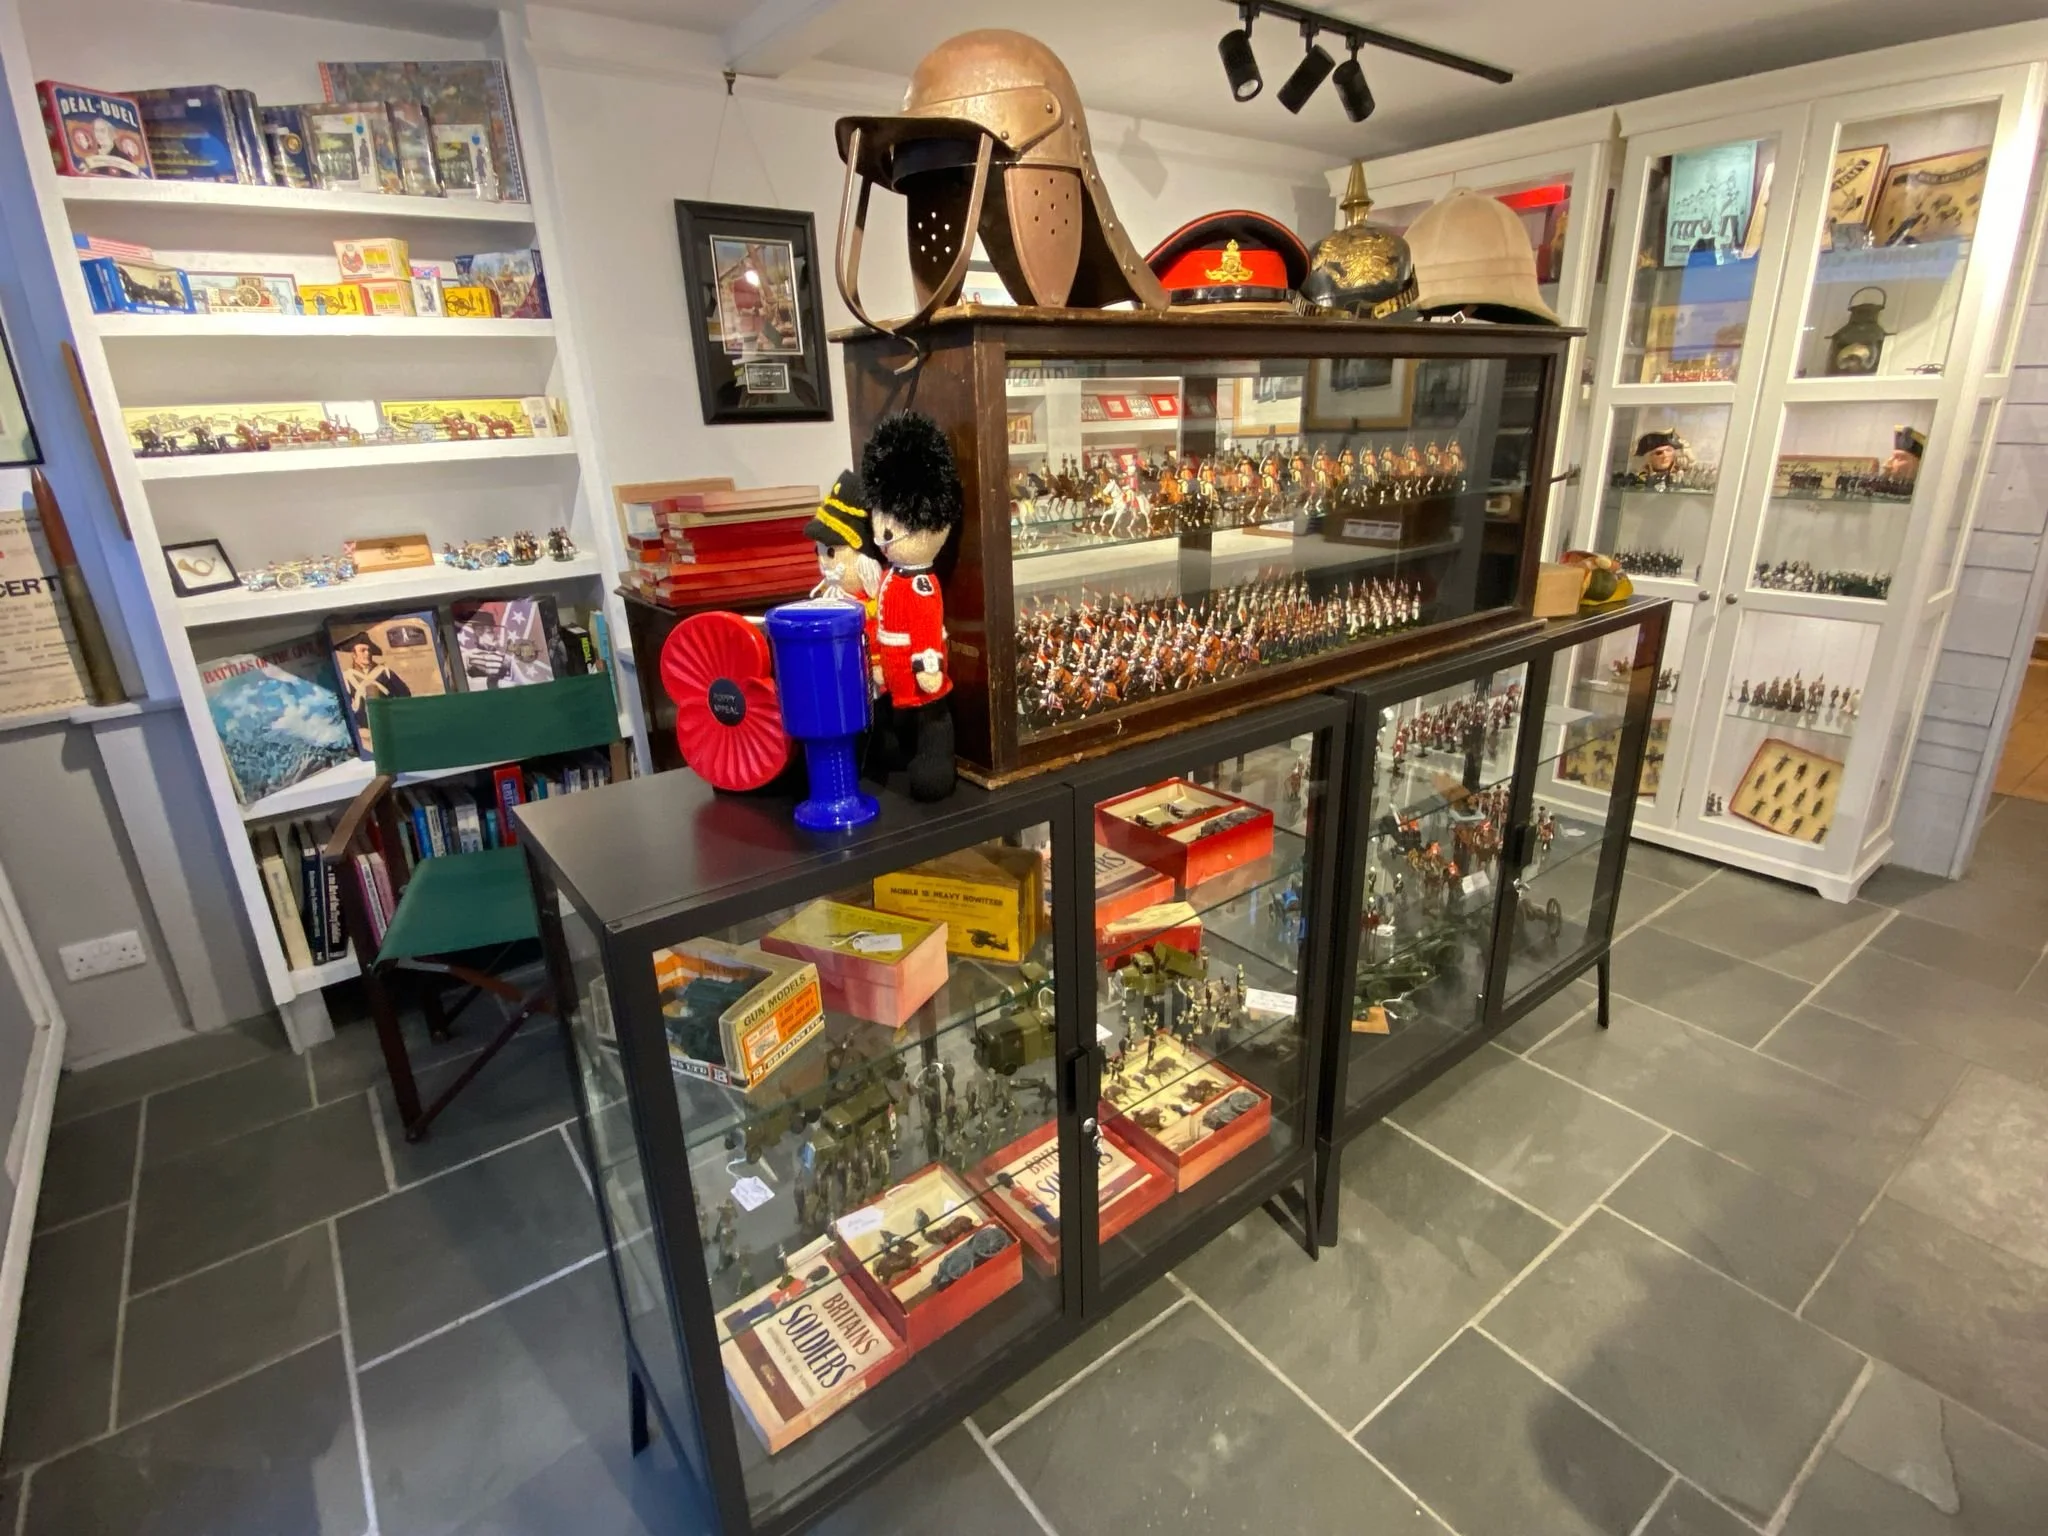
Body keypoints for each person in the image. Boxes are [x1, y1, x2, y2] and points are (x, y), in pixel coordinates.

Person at [335, 630, 411, 738]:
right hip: (364, 732)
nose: (367, 653)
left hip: (389, 726)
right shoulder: (347, 677)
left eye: (369, 650)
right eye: (363, 650)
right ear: (354, 655)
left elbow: (405, 695)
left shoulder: (385, 672)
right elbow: (343, 706)